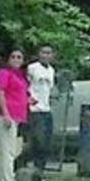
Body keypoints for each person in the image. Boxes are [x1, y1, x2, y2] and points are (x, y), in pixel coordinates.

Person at [0, 50, 30, 181]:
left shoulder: (20, 76)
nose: (16, 59)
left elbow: (19, 94)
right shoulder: (4, 73)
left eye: (19, 57)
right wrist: (6, 114)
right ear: (8, 59)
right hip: (5, 116)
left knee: (5, 151)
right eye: (13, 56)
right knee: (9, 152)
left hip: (16, 116)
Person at [25, 45, 56, 173]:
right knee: (38, 142)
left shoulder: (51, 70)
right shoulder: (32, 68)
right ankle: (22, 165)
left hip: (46, 109)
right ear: (39, 54)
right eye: (43, 52)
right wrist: (27, 98)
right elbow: (24, 85)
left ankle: (40, 173)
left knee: (47, 144)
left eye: (49, 53)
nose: (46, 55)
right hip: (34, 110)